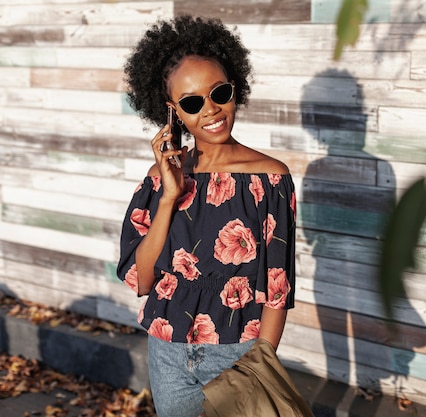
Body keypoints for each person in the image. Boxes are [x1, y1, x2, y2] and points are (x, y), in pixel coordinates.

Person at [116, 15, 297, 417]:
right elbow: (142, 280)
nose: (211, 109)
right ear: (173, 111)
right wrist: (168, 198)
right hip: (167, 352)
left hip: (238, 352)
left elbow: (277, 286)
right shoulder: (157, 181)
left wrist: (260, 365)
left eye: (220, 92)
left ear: (236, 88)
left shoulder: (270, 178)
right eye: (193, 102)